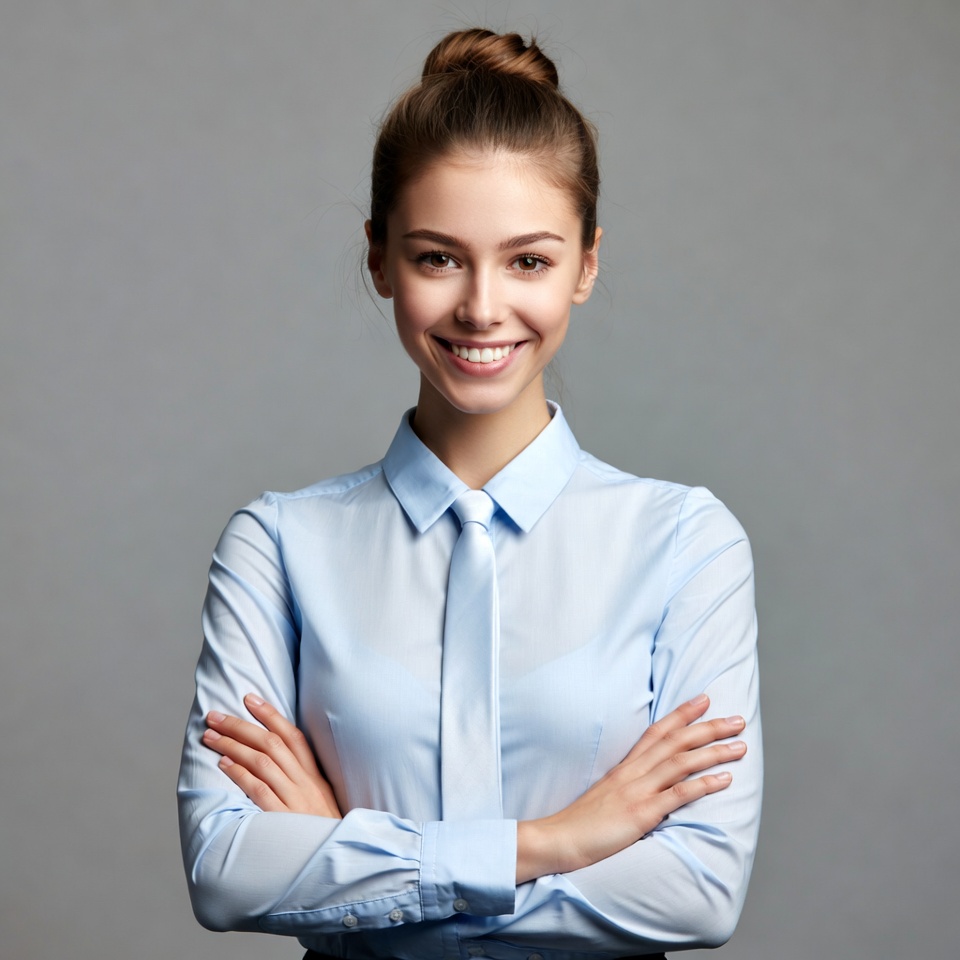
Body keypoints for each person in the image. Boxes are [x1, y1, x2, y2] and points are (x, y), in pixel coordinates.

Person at [178, 27, 762, 960]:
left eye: (528, 260)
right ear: (379, 260)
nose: (482, 308)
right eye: (437, 257)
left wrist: (352, 868)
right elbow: (224, 869)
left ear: (587, 264)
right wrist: (558, 842)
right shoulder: (278, 546)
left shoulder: (686, 543)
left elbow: (697, 894)